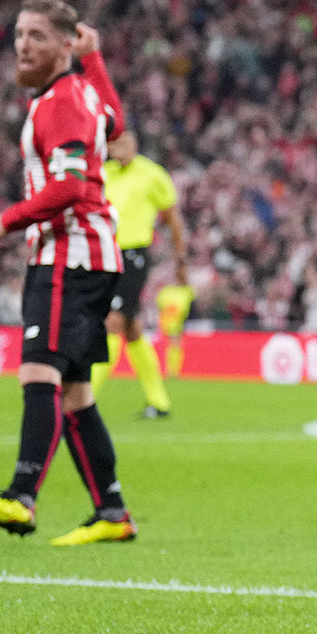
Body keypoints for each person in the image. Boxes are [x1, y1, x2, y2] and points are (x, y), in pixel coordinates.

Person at [0, 0, 140, 547]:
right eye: (18, 35)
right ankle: (112, 510)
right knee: (77, 393)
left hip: (68, 254)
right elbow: (116, 122)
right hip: (92, 255)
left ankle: (21, 497)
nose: (22, 45)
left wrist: (4, 221)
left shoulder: (60, 101)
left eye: (36, 35)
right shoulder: (82, 93)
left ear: (64, 45)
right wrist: (97, 58)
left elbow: (70, 188)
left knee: (39, 372)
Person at [92, 129, 186, 418]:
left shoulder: (151, 174)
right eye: (113, 143)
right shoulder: (103, 173)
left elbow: (172, 217)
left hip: (133, 256)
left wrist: (180, 256)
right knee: (131, 330)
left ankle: (83, 400)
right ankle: (158, 402)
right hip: (106, 256)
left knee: (112, 322)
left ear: (134, 144)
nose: (117, 148)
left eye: (123, 142)